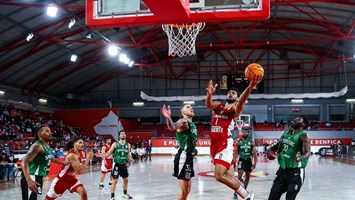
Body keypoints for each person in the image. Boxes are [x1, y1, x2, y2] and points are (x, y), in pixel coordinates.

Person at [205, 76, 261, 200]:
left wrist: (250, 87)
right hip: (214, 144)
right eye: (230, 92)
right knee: (229, 176)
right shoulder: (218, 106)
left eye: (234, 93)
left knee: (219, 175)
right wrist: (209, 94)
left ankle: (246, 196)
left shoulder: (235, 109)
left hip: (224, 143)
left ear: (236, 98)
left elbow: (241, 101)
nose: (231, 93)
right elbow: (209, 104)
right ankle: (244, 191)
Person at [267, 115, 311, 200]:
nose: (294, 120)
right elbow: (274, 148)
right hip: (282, 172)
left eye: (297, 120)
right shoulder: (286, 134)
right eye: (294, 119)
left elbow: (307, 153)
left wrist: (301, 157)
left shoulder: (303, 136)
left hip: (296, 173)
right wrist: (269, 152)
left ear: (303, 124)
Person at [21, 126, 70, 200]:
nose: (50, 133)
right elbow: (24, 162)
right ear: (40, 134)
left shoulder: (46, 146)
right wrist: (29, 180)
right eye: (47, 131)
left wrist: (62, 163)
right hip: (32, 176)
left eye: (50, 131)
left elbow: (49, 157)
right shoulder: (37, 146)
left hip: (38, 177)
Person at [161, 103, 197, 200]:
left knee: (188, 189)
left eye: (191, 107)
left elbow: (185, 138)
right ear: (182, 112)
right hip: (183, 157)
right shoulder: (184, 121)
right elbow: (172, 127)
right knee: (184, 191)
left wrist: (182, 143)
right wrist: (168, 118)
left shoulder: (191, 124)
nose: (191, 108)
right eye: (188, 107)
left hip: (188, 157)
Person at [101, 130, 133, 200]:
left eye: (124, 134)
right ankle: (112, 197)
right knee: (114, 181)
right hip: (117, 165)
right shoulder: (115, 144)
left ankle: (125, 194)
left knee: (126, 180)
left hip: (124, 165)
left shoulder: (128, 145)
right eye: (122, 134)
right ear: (119, 136)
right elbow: (109, 153)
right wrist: (102, 155)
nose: (123, 135)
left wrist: (129, 162)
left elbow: (128, 155)